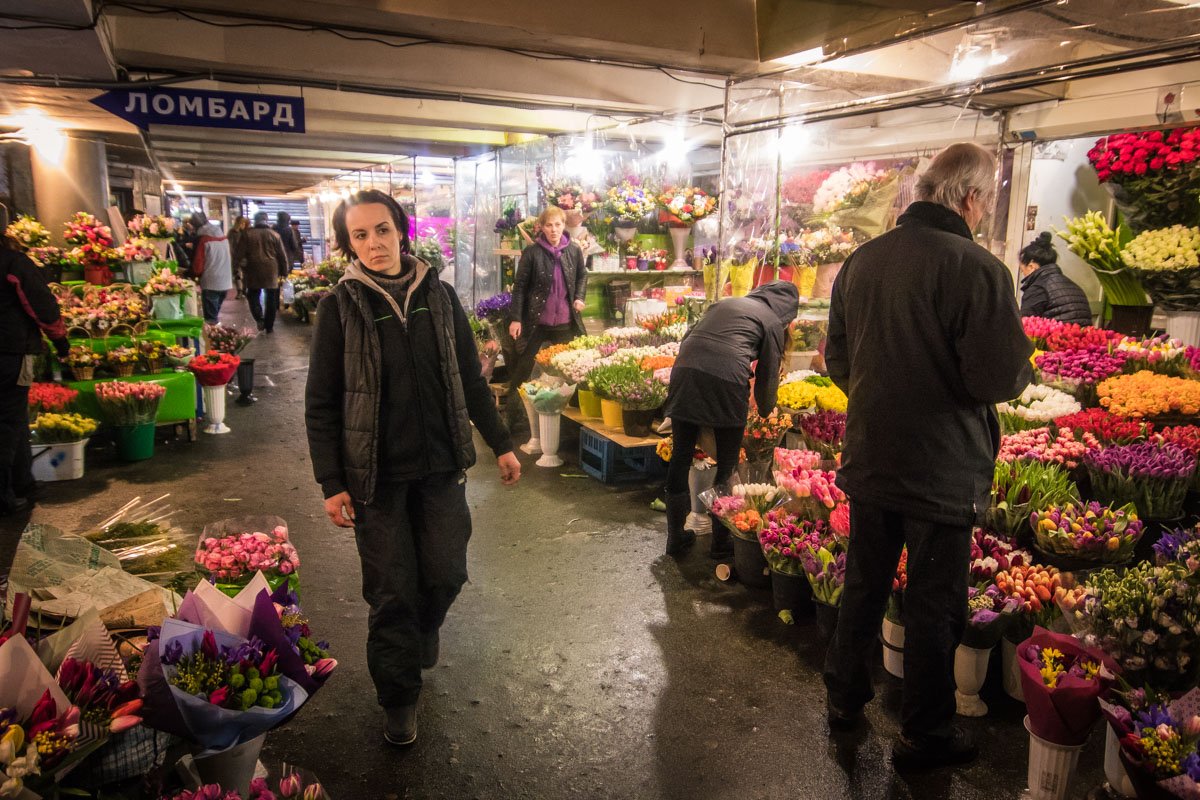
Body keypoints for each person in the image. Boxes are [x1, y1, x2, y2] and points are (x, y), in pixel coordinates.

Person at [822, 143, 1033, 769]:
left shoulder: (862, 261)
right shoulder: (977, 269)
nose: (986, 211)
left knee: (863, 584)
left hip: (871, 457)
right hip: (942, 470)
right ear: (969, 197)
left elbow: (838, 360)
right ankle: (925, 732)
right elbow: (999, 377)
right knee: (934, 604)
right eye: (987, 201)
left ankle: (843, 700)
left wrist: (883, 396)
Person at [304, 189, 521, 747]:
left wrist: (500, 443)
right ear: (348, 244)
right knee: (391, 590)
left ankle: (427, 629)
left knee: (446, 570)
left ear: (400, 229)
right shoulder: (340, 306)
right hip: (374, 479)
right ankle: (399, 700)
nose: (374, 244)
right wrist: (332, 482)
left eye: (381, 230)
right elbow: (322, 401)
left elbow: (471, 379)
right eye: (360, 235)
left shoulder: (441, 297)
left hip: (440, 467)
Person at [662, 281, 799, 557]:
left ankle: (675, 536)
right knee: (727, 465)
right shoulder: (771, 321)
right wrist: (765, 409)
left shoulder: (726, 303)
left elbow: (690, 336)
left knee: (681, 455)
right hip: (726, 380)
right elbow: (768, 376)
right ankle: (720, 543)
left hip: (685, 371)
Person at [0, 240, 69, 516]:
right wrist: (60, 340)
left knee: (15, 419)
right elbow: (41, 305)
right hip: (8, 352)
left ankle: (22, 482)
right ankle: (5, 494)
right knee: (7, 421)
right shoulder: (11, 261)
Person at [507, 206, 587, 439]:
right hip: (536, 322)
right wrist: (515, 319)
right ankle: (512, 422)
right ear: (541, 227)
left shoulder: (573, 250)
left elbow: (582, 275)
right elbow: (520, 287)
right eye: (549, 225)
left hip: (565, 322)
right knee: (522, 371)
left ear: (564, 226)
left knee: (574, 372)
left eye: (558, 225)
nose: (553, 230)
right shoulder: (532, 253)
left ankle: (574, 427)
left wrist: (580, 297)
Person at [1018, 231, 1092, 325]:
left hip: (1056, 338)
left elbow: (1025, 326)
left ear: (1031, 266)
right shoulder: (1073, 286)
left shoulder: (1037, 289)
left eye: (1022, 269)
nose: (1022, 273)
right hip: (1083, 338)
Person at [235, 212, 289, 333]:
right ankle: (269, 325)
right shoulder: (275, 235)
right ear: (266, 220)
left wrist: (235, 268)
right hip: (271, 270)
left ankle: (259, 318)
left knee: (253, 295)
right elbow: (282, 255)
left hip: (252, 269)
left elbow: (238, 254)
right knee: (271, 298)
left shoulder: (247, 234)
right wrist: (284, 271)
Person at [188, 212, 233, 324]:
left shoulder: (203, 239)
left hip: (211, 281)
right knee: (215, 314)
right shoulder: (223, 236)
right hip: (225, 281)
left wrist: (191, 274)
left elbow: (198, 263)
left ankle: (214, 339)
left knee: (211, 319)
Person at [228, 215, 250, 299]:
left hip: (244, 258)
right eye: (242, 223)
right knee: (237, 275)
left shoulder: (246, 232)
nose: (243, 225)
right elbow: (230, 245)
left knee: (245, 275)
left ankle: (244, 290)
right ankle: (240, 291)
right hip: (236, 257)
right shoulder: (233, 232)